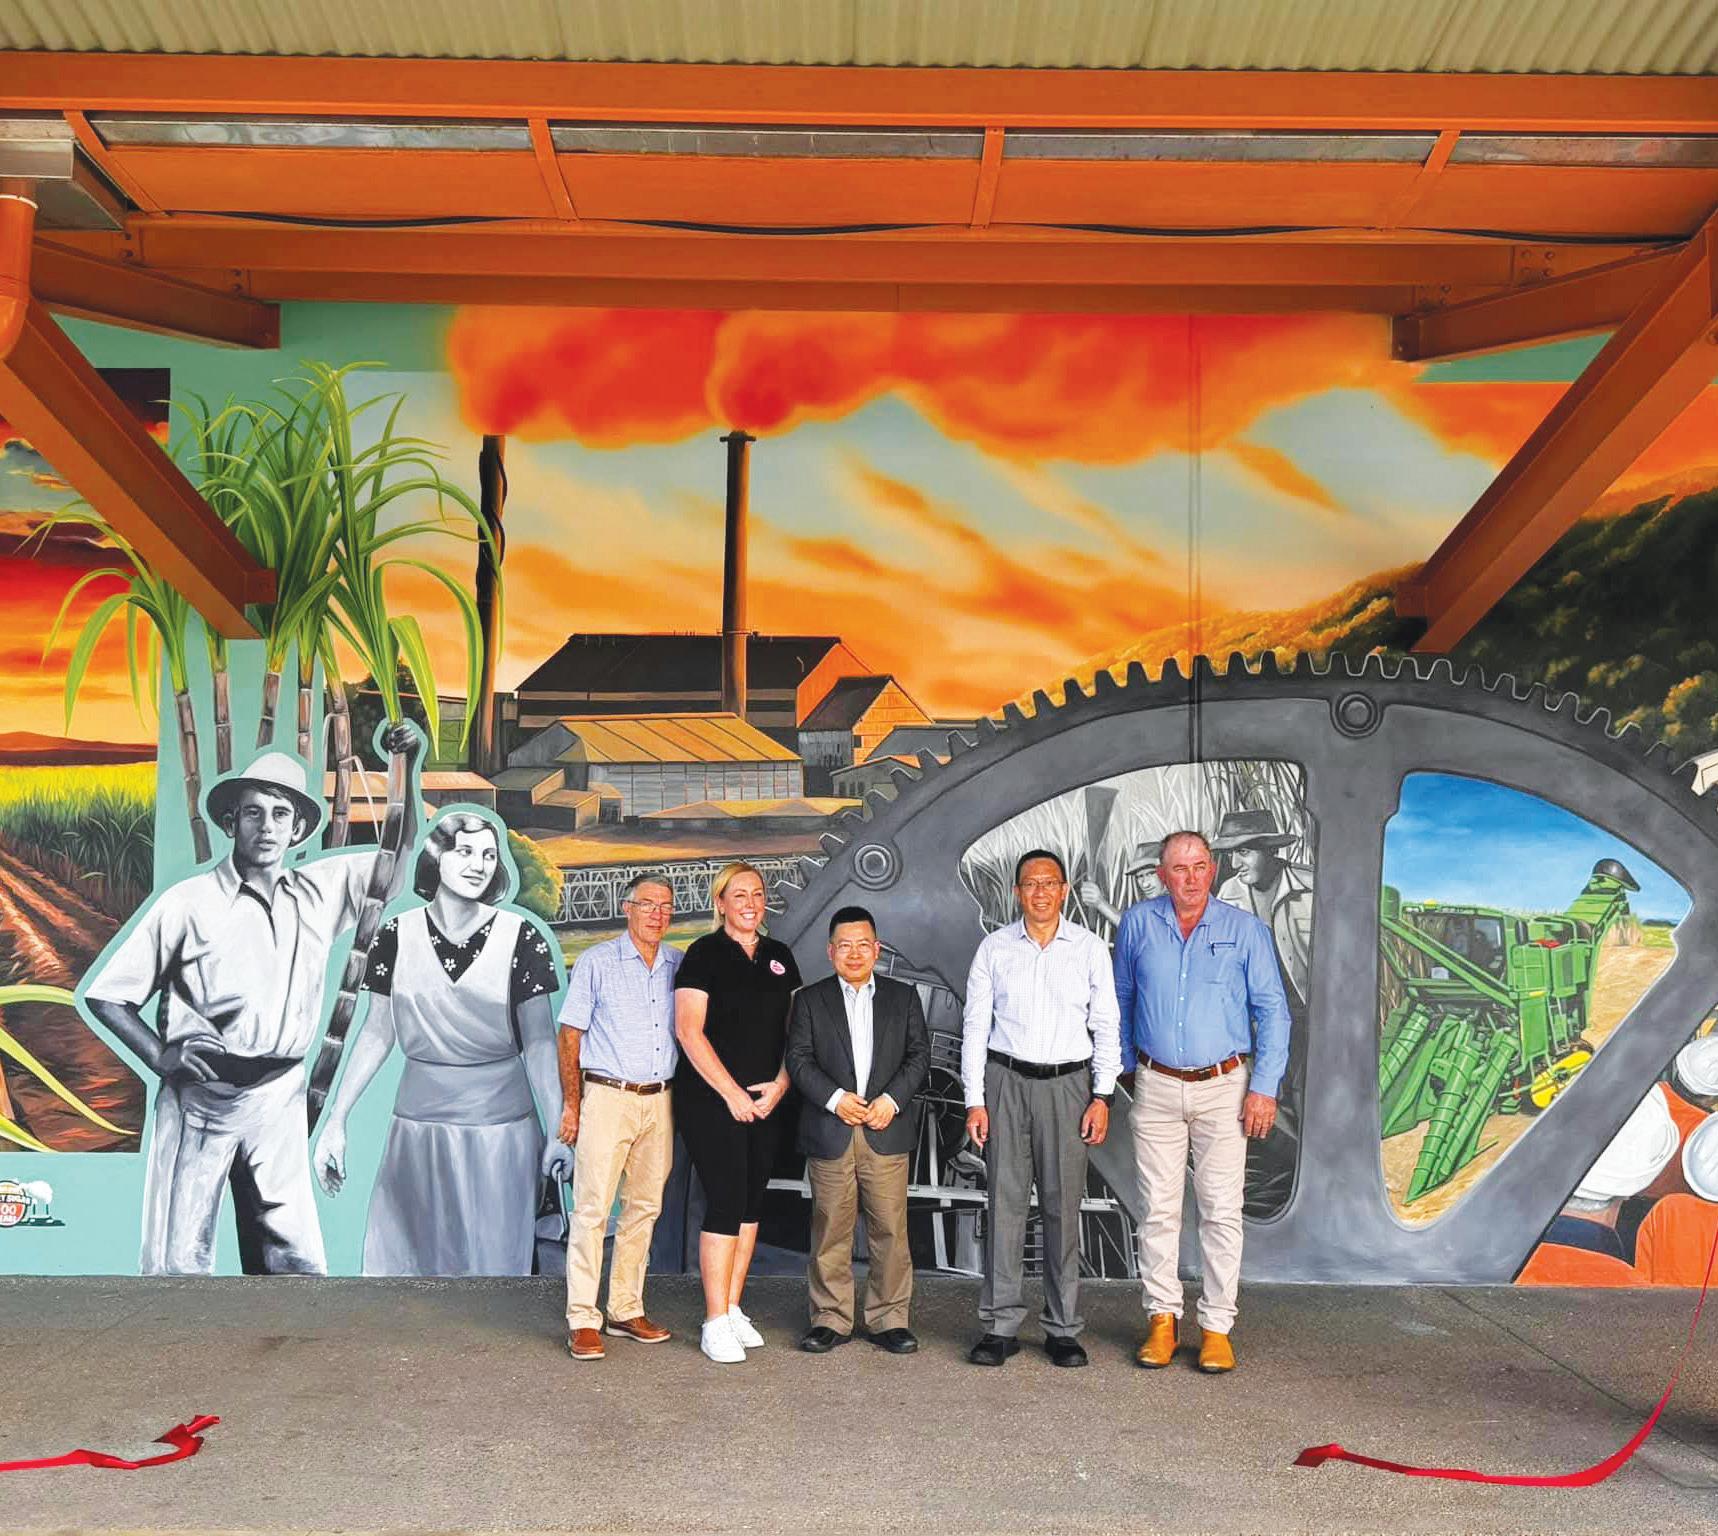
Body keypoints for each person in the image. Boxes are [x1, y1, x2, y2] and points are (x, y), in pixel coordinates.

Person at [82, 736, 420, 1275]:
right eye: (253, 813)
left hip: (279, 1098)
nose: (266, 826)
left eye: (280, 814)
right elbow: (107, 994)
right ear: (230, 823)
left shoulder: (319, 891)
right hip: (201, 1098)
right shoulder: (187, 902)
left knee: (296, 1263)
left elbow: (394, 860)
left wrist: (405, 767)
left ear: (298, 829)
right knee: (179, 1263)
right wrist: (160, 1056)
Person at [312, 807, 569, 1277]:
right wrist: (337, 1120)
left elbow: (539, 1045)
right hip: (416, 1135)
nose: (479, 864)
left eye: (489, 855)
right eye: (465, 851)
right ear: (436, 856)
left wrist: (556, 1133)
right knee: (405, 1270)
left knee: (494, 1272)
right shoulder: (396, 935)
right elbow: (377, 1031)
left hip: (501, 1138)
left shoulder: (521, 938)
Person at [1113, 829, 1290, 1373]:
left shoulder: (1246, 930)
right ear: (1162, 874)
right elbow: (1121, 998)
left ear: (1212, 870)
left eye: (1198, 867)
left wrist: (1264, 1088)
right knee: (1158, 1210)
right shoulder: (1138, 923)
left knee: (1220, 1210)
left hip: (1225, 1087)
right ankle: (1162, 1320)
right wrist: (1124, 1067)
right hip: (1156, 1084)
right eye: (1178, 868)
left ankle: (1216, 1327)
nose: (1189, 878)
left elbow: (1272, 1011)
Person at [961, 849, 1122, 1369]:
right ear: (1017, 892)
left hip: (1068, 1086)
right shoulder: (994, 948)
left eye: (1049, 883)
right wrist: (975, 1100)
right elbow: (975, 1027)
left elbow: (1107, 1025)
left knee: (1062, 1209)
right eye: (1030, 884)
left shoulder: (1089, 949)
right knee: (1004, 1207)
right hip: (1006, 1082)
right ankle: (1000, 1326)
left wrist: (1102, 1096)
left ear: (1064, 890)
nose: (1040, 892)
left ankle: (1063, 1328)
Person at [785, 905, 931, 1355]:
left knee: (890, 1230)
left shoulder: (903, 997)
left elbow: (919, 1056)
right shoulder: (810, 1000)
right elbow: (798, 1059)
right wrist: (835, 1099)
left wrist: (891, 1101)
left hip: (885, 1128)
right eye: (844, 945)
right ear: (830, 952)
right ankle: (830, 1318)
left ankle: (889, 1319)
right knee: (830, 1228)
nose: (854, 953)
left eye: (862, 944)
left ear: (877, 949)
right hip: (831, 1129)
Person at [674, 861, 802, 1363]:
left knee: (751, 1204)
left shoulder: (779, 955)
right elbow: (689, 1031)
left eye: (758, 894)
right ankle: (712, 1322)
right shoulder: (703, 953)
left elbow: (798, 1034)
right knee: (726, 1201)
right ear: (721, 903)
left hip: (767, 1101)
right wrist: (731, 1094)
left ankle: (731, 1307)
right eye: (740, 895)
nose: (751, 903)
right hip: (712, 1100)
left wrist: (780, 1086)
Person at [555, 871, 683, 1361]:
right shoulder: (597, 961)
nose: (658, 914)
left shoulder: (678, 964)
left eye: (665, 905)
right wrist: (572, 1105)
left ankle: (625, 1308)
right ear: (627, 908)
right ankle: (582, 1318)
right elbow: (570, 1035)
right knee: (592, 1210)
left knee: (644, 1208)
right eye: (648, 904)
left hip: (661, 1099)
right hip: (607, 1096)